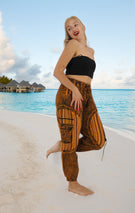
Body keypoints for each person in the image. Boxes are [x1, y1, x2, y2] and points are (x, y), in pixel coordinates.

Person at [46, 16, 107, 196]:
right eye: (68, 28)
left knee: (98, 140)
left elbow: (86, 76)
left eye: (75, 24)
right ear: (68, 33)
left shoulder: (91, 51)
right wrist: (74, 89)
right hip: (69, 94)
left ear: (83, 26)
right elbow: (57, 72)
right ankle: (72, 183)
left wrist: (84, 93)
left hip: (86, 94)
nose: (73, 29)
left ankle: (64, 145)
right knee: (71, 143)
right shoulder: (72, 45)